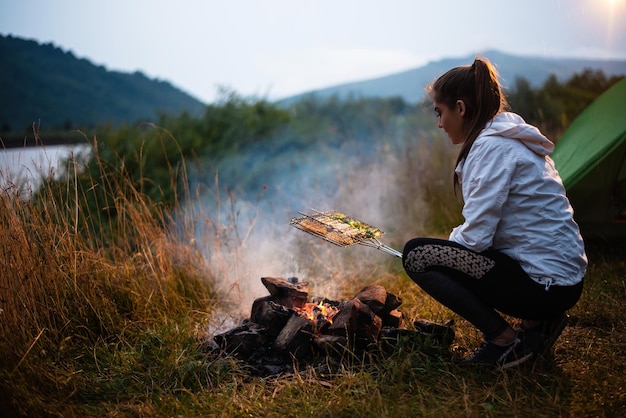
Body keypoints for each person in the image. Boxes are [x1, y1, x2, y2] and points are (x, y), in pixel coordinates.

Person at [402, 57, 587, 368]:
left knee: (417, 255)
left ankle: (504, 341)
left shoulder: (493, 149)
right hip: (562, 280)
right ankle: (537, 325)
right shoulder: (509, 138)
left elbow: (475, 239)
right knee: (435, 252)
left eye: (440, 112)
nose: (439, 123)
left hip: (547, 287)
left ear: (460, 108)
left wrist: (443, 250)